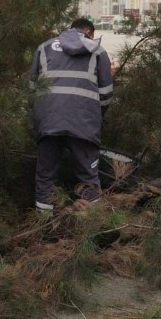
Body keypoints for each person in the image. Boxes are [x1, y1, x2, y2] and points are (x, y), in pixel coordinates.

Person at [30, 18, 114, 212]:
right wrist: (94, 117)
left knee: (45, 177)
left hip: (49, 122)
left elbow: (32, 90)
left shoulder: (44, 48)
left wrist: (42, 116)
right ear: (87, 31)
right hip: (84, 124)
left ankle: (43, 227)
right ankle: (92, 227)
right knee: (88, 178)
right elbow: (106, 94)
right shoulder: (97, 51)